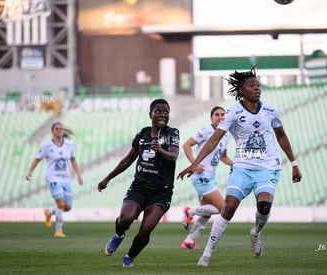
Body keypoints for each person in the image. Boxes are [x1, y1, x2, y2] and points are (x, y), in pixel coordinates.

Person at [177, 66, 302, 267]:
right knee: (227, 209)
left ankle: (256, 232)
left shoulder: (270, 110)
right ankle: (206, 255)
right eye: (252, 85)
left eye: (258, 85)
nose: (257, 88)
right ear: (242, 90)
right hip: (242, 168)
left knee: (264, 206)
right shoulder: (233, 112)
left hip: (267, 168)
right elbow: (214, 139)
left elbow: (281, 136)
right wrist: (195, 163)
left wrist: (294, 164)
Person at [97, 98, 180, 267]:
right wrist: (108, 178)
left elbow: (174, 156)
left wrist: (161, 150)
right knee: (125, 219)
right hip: (139, 187)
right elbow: (128, 159)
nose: (163, 114)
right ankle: (118, 236)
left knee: (146, 229)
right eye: (158, 111)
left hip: (161, 192)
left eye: (166, 112)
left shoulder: (172, 133)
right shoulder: (142, 134)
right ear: (150, 114)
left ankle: (129, 257)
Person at [181, 106, 233, 250]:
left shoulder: (225, 136)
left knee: (206, 212)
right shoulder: (206, 131)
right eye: (217, 114)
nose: (220, 117)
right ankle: (189, 211)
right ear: (211, 118)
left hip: (211, 177)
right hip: (201, 177)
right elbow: (186, 145)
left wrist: (236, 164)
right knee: (223, 208)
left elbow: (223, 157)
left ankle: (189, 241)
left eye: (223, 114)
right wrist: (194, 164)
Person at [26, 122, 83, 238]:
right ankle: (58, 230)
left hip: (66, 178)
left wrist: (78, 175)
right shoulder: (46, 146)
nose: (59, 131)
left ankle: (49, 212)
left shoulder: (69, 144)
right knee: (61, 204)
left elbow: (73, 159)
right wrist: (30, 172)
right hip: (53, 177)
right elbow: (37, 159)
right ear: (52, 131)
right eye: (57, 129)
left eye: (61, 129)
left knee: (68, 207)